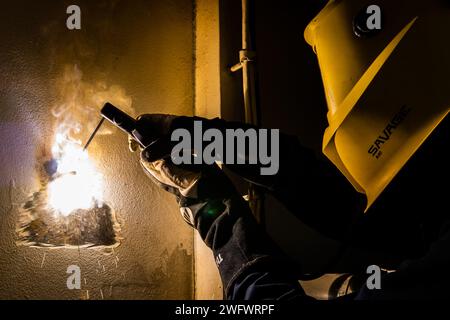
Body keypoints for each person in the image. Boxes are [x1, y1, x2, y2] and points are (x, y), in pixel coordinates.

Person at [128, 113, 450, 300]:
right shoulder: (430, 208)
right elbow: (319, 188)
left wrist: (200, 195)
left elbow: (264, 299)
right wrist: (205, 137)